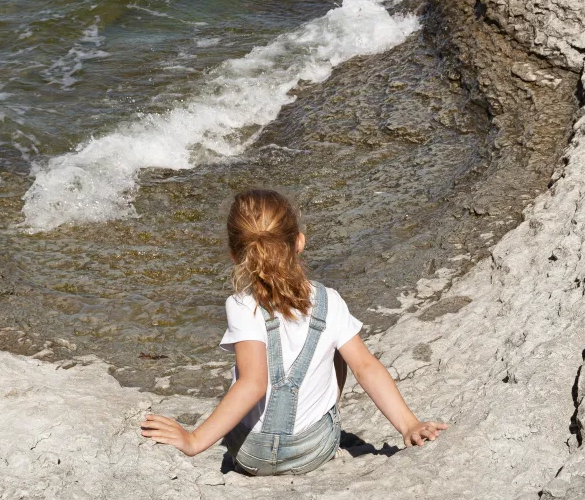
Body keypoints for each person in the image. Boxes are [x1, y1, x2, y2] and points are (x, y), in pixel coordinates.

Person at [140, 189, 447, 475]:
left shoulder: (241, 305)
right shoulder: (330, 302)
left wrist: (194, 440)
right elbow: (366, 367)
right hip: (312, 449)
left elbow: (253, 384)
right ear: (299, 242)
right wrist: (408, 424)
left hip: (250, 453)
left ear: (234, 254)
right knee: (343, 352)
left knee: (250, 370)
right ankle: (319, 426)